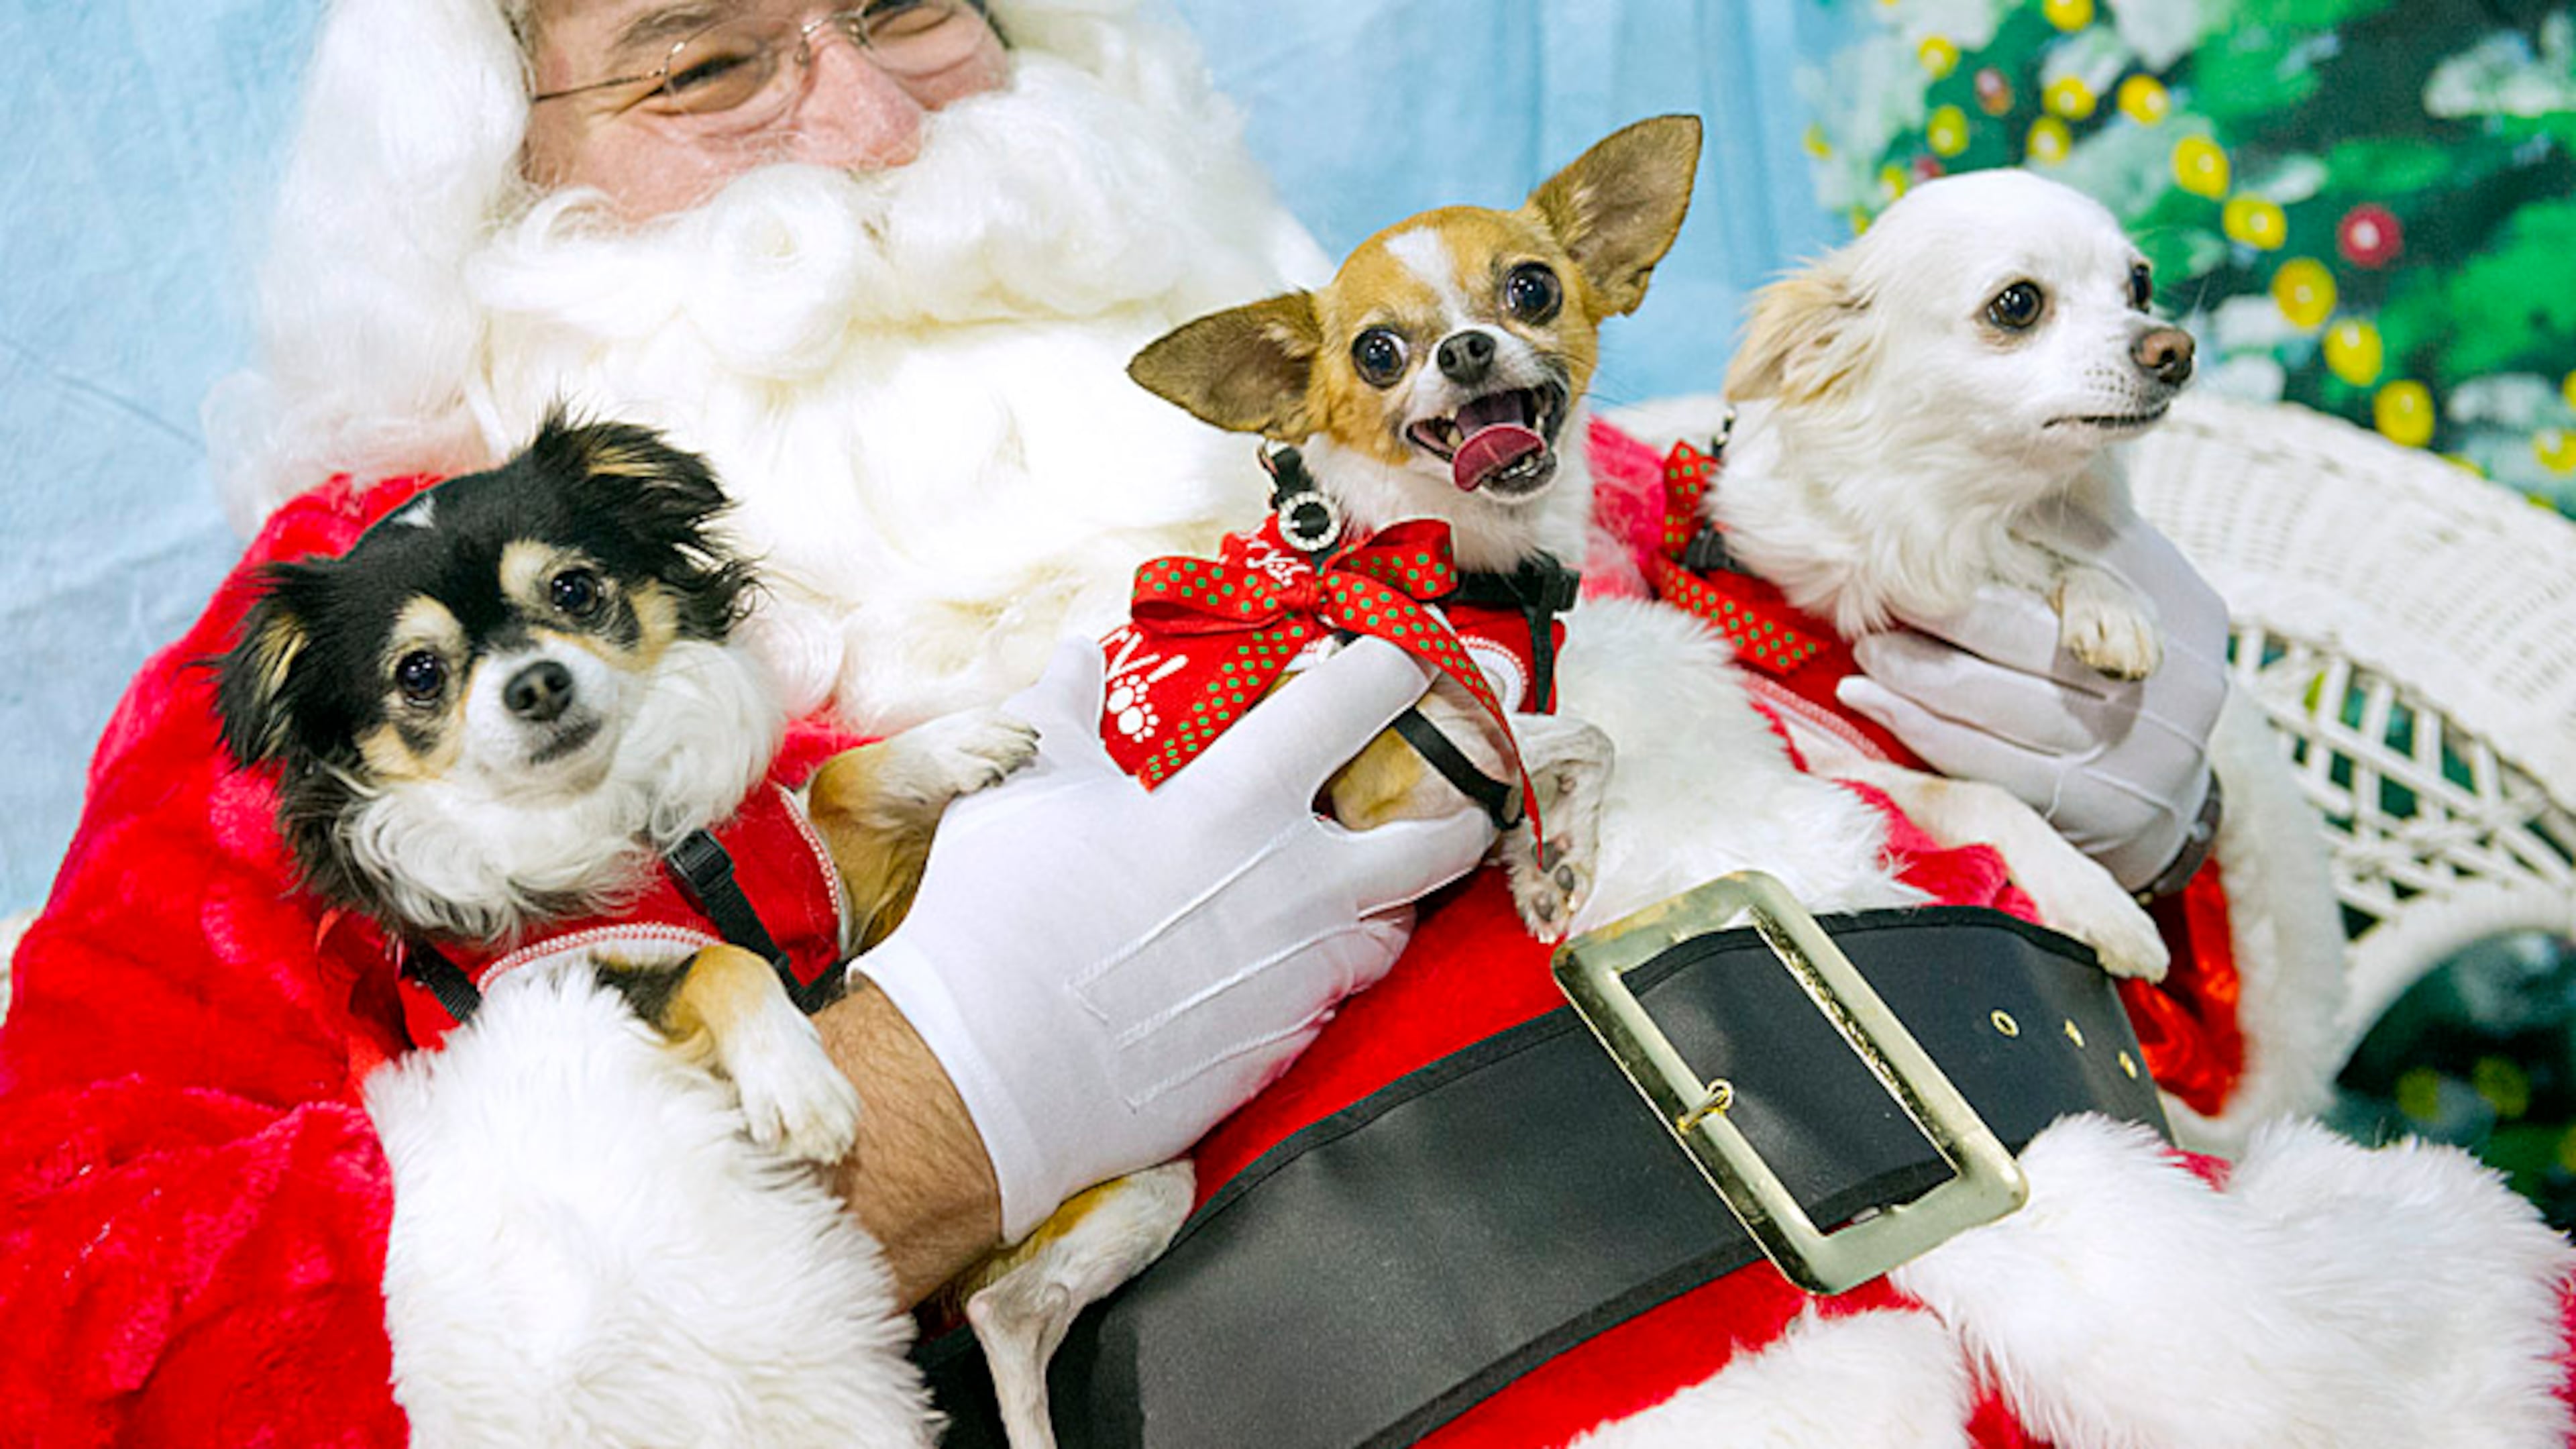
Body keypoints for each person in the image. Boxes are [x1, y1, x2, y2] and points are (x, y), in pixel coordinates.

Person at [4, 1, 2569, 1446]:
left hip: (2222, 1348)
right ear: (487, 184)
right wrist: (930, 1104)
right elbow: (77, 1329)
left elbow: (2075, 918)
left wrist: (2133, 784)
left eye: (918, 7)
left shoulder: (1463, 409)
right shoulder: (363, 658)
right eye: (704, 66)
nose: (886, 127)